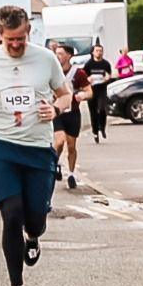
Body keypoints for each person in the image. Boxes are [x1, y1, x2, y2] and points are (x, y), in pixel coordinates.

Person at [0, 4, 71, 286]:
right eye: (9, 39)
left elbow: (64, 94)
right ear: (0, 33)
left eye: (20, 39)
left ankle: (33, 235)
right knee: (11, 213)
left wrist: (55, 109)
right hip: (1, 146)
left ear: (29, 32)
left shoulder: (46, 58)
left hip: (38, 148)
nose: (14, 45)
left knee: (35, 218)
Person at [51, 43, 93, 189]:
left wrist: (83, 95)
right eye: (56, 53)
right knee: (59, 141)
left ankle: (71, 173)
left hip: (73, 113)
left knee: (71, 145)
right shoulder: (52, 72)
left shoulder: (78, 73)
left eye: (61, 53)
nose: (58, 56)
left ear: (69, 56)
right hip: (57, 112)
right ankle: (54, 164)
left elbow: (89, 91)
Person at [83, 44, 114, 143]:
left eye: (100, 51)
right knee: (93, 112)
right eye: (97, 51)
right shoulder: (88, 64)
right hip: (91, 90)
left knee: (101, 109)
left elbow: (109, 75)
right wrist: (88, 79)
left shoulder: (105, 64)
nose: (99, 52)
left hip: (102, 89)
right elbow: (84, 77)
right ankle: (95, 132)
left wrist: (107, 78)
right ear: (93, 52)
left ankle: (102, 128)